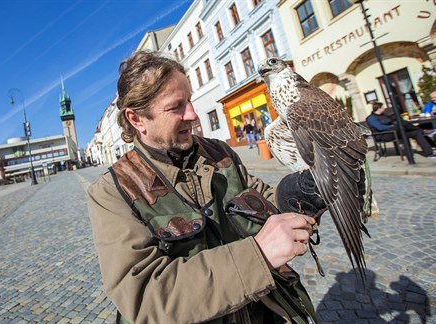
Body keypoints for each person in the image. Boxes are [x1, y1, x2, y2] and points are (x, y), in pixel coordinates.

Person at [87, 51, 325, 323]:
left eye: (189, 100)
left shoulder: (219, 153)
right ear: (136, 119)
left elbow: (265, 201)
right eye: (176, 106)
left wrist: (303, 195)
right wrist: (257, 255)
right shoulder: (112, 192)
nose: (192, 113)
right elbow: (145, 295)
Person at [366, 102, 436, 159]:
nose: (384, 108)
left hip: (395, 132)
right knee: (402, 124)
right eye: (382, 107)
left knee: (416, 133)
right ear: (379, 108)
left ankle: (429, 153)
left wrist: (395, 119)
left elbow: (392, 120)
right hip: (384, 135)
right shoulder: (371, 118)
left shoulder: (384, 115)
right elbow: (380, 128)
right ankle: (424, 131)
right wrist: (392, 126)